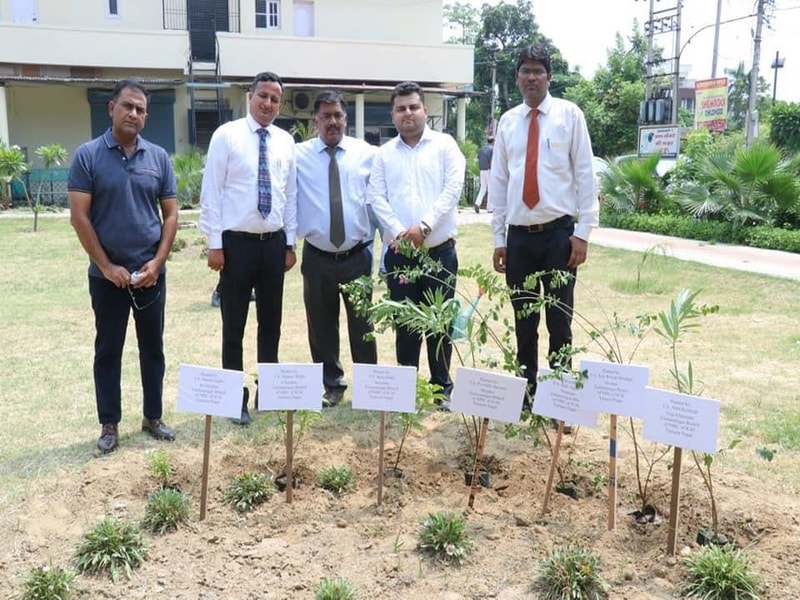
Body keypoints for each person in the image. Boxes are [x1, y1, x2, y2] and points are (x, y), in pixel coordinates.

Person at [68, 79, 179, 453]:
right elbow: (79, 217)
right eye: (128, 106)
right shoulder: (87, 156)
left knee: (153, 349)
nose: (134, 113)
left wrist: (158, 263)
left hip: (150, 276)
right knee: (108, 350)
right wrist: (107, 266)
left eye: (141, 109)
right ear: (111, 107)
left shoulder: (158, 158)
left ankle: (153, 416)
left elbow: (171, 214)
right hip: (107, 279)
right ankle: (109, 424)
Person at [490, 44, 599, 419]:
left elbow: (585, 175)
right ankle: (526, 395)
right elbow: (500, 184)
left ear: (549, 76)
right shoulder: (507, 122)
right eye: (525, 71)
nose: (531, 77)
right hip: (519, 237)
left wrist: (583, 232)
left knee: (559, 320)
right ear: (517, 77)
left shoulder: (569, 116)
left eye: (538, 70)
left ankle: (559, 402)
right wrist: (498, 240)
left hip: (558, 236)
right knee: (524, 320)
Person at [199, 71, 298, 425]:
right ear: (250, 97)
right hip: (235, 245)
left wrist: (290, 242)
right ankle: (233, 398)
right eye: (263, 96)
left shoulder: (286, 141)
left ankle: (267, 393)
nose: (268, 104)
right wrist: (214, 244)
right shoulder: (227, 136)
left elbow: (290, 196)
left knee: (271, 322)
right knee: (234, 324)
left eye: (275, 99)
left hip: (272, 245)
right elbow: (211, 191)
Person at [368, 81, 466, 406]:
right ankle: (405, 392)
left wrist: (423, 227)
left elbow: (453, 189)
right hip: (400, 256)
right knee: (406, 325)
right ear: (393, 115)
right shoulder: (383, 155)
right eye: (401, 108)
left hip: (439, 253)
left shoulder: (445, 146)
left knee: (439, 323)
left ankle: (441, 390)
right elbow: (376, 197)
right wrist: (399, 232)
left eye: (413, 106)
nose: (408, 113)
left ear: (425, 109)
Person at [296, 90, 378, 407]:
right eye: (326, 116)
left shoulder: (366, 154)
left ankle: (371, 387)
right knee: (320, 324)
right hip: (316, 256)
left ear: (346, 118)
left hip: (357, 254)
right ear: (315, 120)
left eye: (338, 115)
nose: (332, 121)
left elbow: (380, 200)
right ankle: (332, 384)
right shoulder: (298, 155)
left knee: (362, 323)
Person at [473, 136, 494, 213]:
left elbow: (479, 158)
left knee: (483, 188)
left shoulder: (481, 149)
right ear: (493, 141)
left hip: (482, 169)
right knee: (491, 189)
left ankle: (477, 203)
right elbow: (493, 160)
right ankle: (490, 208)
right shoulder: (492, 149)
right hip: (489, 170)